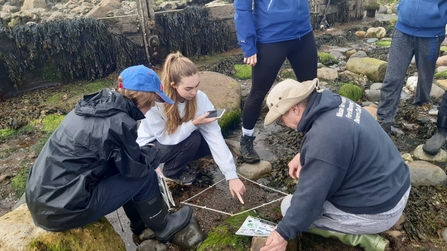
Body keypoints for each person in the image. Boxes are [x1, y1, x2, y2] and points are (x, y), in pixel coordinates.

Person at [25, 65, 195, 246]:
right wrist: (153, 152)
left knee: (121, 169)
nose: (154, 106)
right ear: (144, 99)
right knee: (145, 175)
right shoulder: (120, 122)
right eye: (153, 101)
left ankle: (140, 225)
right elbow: (135, 171)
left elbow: (116, 160)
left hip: (41, 198)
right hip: (62, 209)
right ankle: (164, 226)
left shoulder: (93, 107)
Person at [260, 78, 411, 251]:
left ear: (294, 109)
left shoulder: (323, 138)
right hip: (398, 185)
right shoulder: (334, 102)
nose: (283, 125)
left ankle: (365, 240)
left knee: (288, 207)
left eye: (281, 119)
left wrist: (283, 233)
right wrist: (305, 153)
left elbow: (311, 198)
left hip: (381, 211)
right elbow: (342, 140)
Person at [137, 52, 246, 204]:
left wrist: (231, 176)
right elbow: (165, 138)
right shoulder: (155, 103)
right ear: (173, 85)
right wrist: (194, 123)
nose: (194, 92)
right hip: (151, 147)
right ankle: (171, 173)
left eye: (197, 86)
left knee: (208, 142)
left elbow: (215, 136)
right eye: (188, 88)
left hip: (175, 141)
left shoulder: (200, 98)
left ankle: (180, 162)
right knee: (193, 137)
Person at [233, 0, 318, 163]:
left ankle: (315, 137)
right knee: (258, 92)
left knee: (311, 89)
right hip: (271, 37)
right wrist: (248, 45)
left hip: (303, 33)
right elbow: (242, 7)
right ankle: (246, 139)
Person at [377, 0, 447, 133]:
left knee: (426, 76)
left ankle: (422, 104)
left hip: (432, 34)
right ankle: (384, 119)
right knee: (392, 77)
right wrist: (401, 6)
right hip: (402, 29)